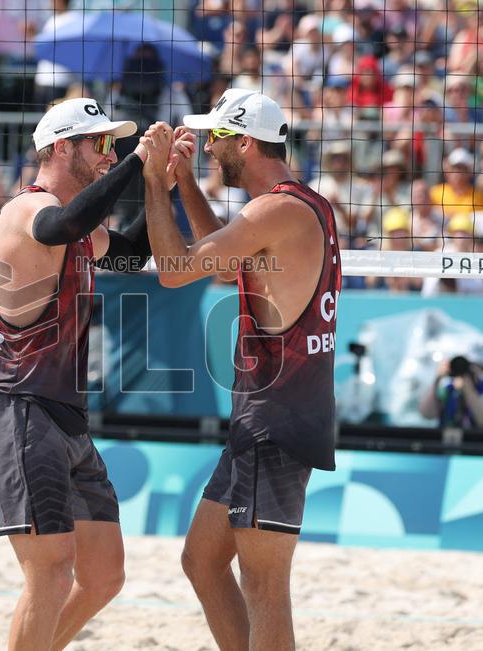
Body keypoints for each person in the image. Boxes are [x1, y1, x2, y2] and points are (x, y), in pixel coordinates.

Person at [0, 97, 173, 651]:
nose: (110, 154)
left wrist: (160, 184)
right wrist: (138, 160)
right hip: (19, 408)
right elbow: (66, 222)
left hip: (64, 416)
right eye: (101, 143)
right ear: (61, 146)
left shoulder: (78, 229)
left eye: (114, 145)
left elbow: (130, 253)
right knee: (51, 574)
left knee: (104, 577)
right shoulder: (25, 212)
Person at [139, 88, 341, 651]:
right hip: (263, 418)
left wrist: (154, 182)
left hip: (279, 419)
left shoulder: (277, 209)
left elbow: (176, 270)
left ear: (245, 142)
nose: (207, 147)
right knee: (201, 562)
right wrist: (182, 183)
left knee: (264, 584)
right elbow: (226, 268)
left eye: (216, 138)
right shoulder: (291, 206)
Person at [418, 354, 483, 430]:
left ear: (481, 368)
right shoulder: (449, 391)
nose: (462, 369)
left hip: (482, 445)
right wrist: (438, 378)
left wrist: (468, 388)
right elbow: (427, 414)